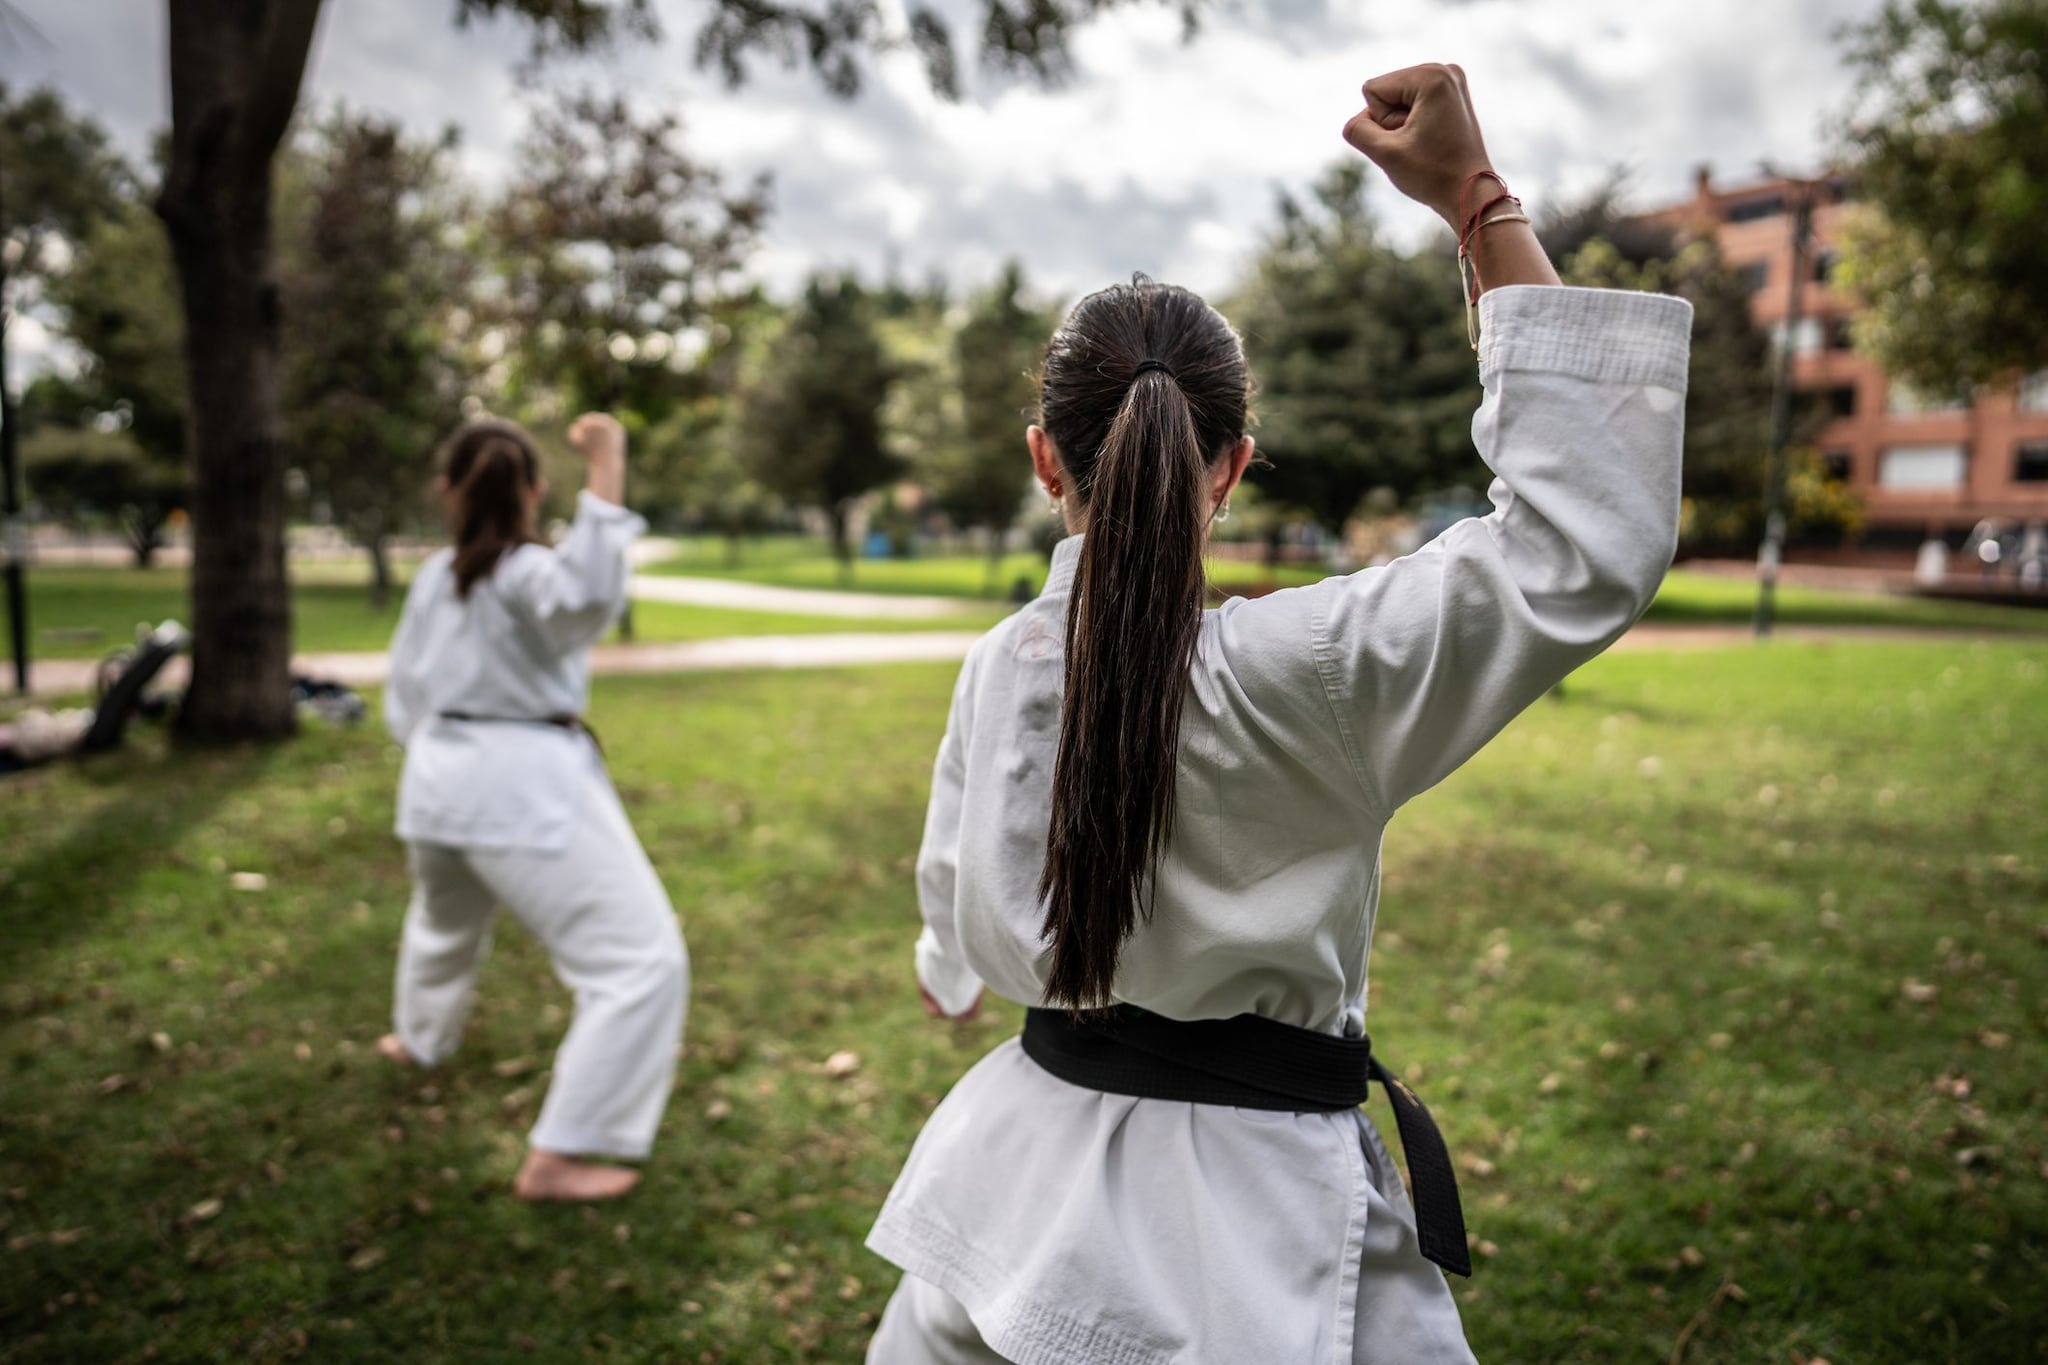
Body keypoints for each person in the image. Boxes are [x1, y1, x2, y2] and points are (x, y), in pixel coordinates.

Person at [865, 65, 1694, 1363]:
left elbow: (951, 885)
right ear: (1236, 469)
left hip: (1004, 1195)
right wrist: (1476, 201)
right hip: (1245, 1239)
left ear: (1045, 462)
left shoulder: (1004, 666)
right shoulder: (1310, 668)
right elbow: (1583, 542)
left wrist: (951, 966)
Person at [377, 413, 688, 1202]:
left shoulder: (436, 576)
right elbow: (589, 591)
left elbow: (403, 695)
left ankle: (418, 1041)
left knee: (443, 924)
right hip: (518, 780)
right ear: (534, 491)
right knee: (639, 963)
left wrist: (437, 761)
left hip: (435, 778)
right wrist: (610, 463)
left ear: (446, 489)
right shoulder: (524, 572)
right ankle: (563, 1153)